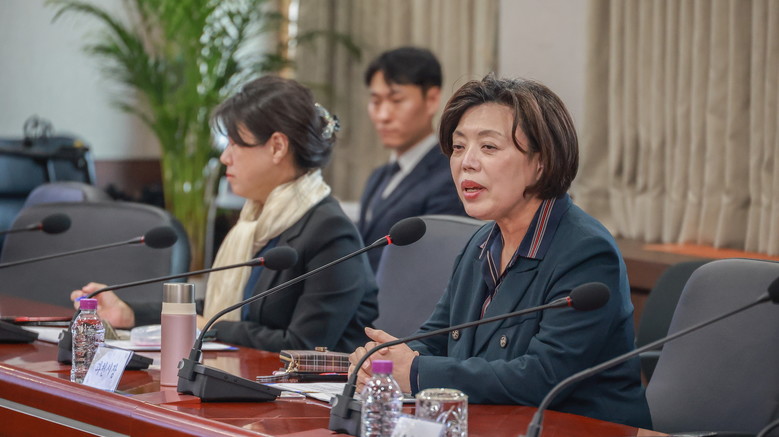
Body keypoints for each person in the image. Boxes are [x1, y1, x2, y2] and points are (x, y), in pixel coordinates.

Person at [349, 75, 652, 428]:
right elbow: (436, 340)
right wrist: (383, 363)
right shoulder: (480, 244)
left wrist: (415, 372)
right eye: (458, 147)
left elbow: (542, 376)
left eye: (489, 147)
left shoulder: (586, 252)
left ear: (541, 162)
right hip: (494, 425)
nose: (466, 162)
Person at [72, 76, 379, 353]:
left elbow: (302, 346)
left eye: (235, 144)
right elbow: (226, 310)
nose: (224, 157)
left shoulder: (330, 232)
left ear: (277, 147)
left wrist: (209, 327)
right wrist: (130, 314)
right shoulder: (256, 222)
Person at [358, 47, 465, 272]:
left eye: (396, 100)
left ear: (431, 100)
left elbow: (437, 264)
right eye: (376, 102)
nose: (383, 116)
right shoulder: (378, 176)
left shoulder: (450, 177)